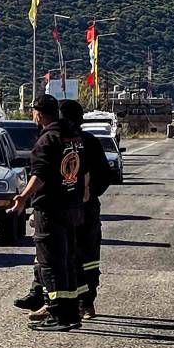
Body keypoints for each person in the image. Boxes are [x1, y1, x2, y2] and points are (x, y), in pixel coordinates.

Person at [6, 94, 84, 331]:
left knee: (50, 263)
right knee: (66, 260)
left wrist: (22, 198)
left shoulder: (47, 140)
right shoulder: (72, 137)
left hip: (51, 208)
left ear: (38, 114)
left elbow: (39, 175)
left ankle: (59, 314)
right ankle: (71, 312)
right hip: (71, 204)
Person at [65, 96, 111, 315]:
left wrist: (88, 195)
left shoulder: (63, 141)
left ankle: (77, 302)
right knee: (88, 256)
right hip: (87, 207)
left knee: (70, 255)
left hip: (70, 209)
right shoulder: (90, 141)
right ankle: (86, 302)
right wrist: (91, 195)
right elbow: (105, 175)